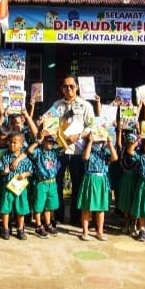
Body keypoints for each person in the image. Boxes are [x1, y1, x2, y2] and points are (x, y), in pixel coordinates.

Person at [51, 74, 96, 226]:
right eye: (65, 86)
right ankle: (57, 216)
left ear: (77, 87)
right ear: (62, 89)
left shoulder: (86, 105)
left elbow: (91, 126)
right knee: (57, 183)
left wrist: (78, 135)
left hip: (78, 152)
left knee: (77, 184)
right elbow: (50, 124)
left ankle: (77, 218)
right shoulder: (57, 105)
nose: (68, 89)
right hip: (60, 151)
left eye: (71, 86)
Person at [78, 133, 118, 241]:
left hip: (101, 180)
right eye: (97, 141)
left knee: (101, 208)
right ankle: (85, 231)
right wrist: (90, 141)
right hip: (90, 179)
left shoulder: (105, 152)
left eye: (100, 141)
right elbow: (86, 157)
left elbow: (115, 158)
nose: (98, 143)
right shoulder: (88, 150)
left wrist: (109, 143)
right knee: (86, 207)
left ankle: (99, 231)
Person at [0, 131, 35, 240]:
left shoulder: (25, 158)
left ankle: (20, 229)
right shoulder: (5, 156)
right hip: (7, 187)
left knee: (21, 209)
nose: (12, 145)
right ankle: (5, 228)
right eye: (10, 142)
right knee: (6, 208)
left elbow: (31, 170)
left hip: (20, 187)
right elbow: (0, 170)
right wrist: (4, 171)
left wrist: (25, 174)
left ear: (21, 145)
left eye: (15, 143)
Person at [27, 129, 61, 238]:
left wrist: (59, 136)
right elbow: (29, 150)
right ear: (44, 142)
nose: (50, 144)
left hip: (52, 182)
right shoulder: (39, 152)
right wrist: (38, 141)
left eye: (52, 142)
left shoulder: (54, 152)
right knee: (38, 205)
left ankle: (48, 224)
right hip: (41, 182)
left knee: (48, 206)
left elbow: (66, 148)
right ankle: (38, 225)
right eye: (48, 142)